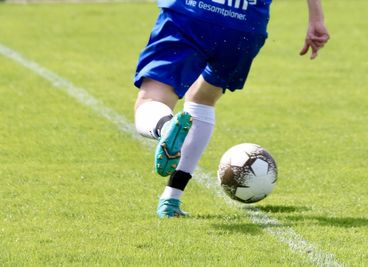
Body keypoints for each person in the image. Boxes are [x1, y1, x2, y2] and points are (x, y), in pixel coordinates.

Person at [134, 0, 329, 218]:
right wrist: (316, 18)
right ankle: (171, 197)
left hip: (192, 12)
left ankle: (165, 126)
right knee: (202, 99)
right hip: (245, 23)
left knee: (152, 98)